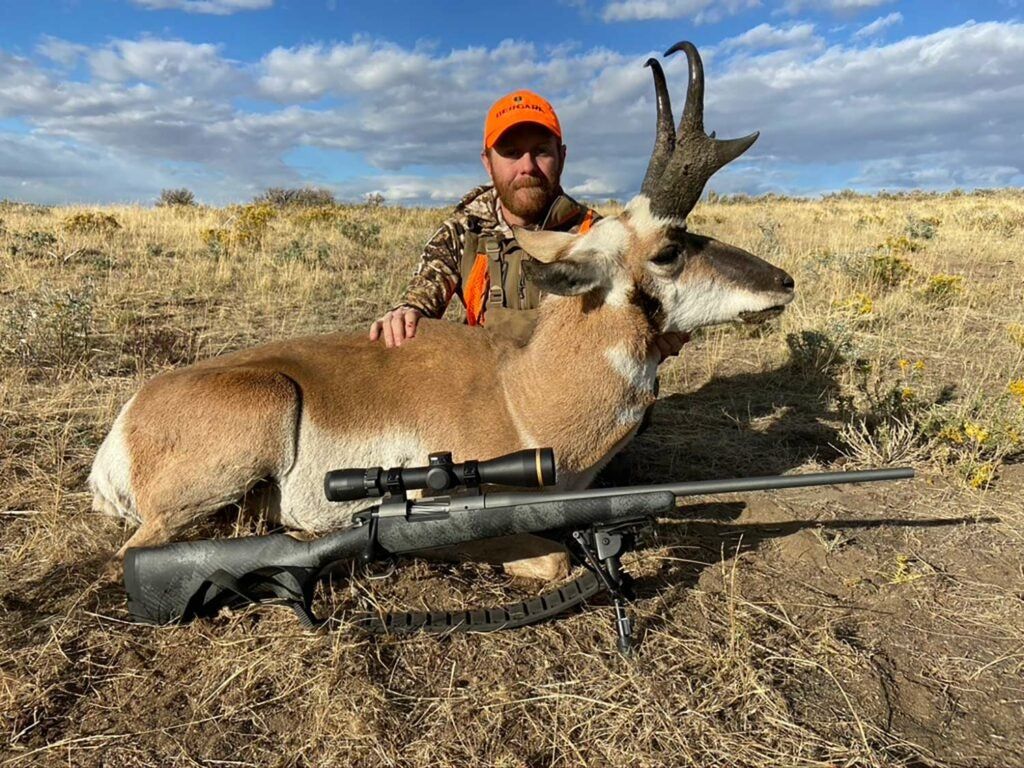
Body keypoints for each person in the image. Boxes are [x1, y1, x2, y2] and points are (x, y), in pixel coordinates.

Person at [368, 88, 688, 358]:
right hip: (488, 394)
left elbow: (644, 315)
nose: (527, 167)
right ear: (487, 163)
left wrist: (656, 340)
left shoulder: (598, 237)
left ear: (561, 156)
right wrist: (406, 315)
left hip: (571, 391)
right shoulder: (463, 232)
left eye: (541, 152)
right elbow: (419, 304)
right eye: (510, 153)